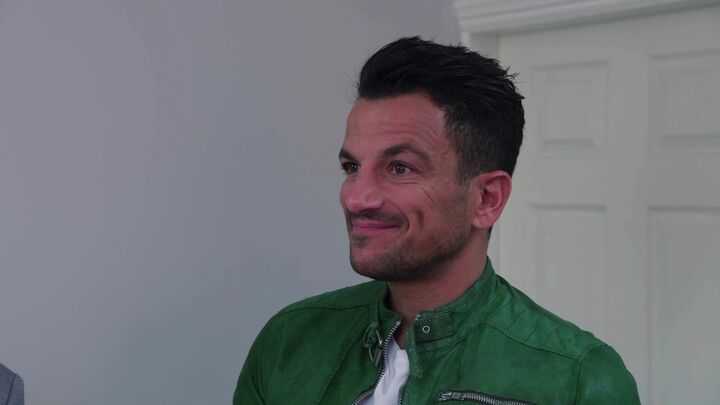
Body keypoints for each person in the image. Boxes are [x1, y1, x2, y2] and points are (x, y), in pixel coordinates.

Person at [234, 36, 639, 404]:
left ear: (487, 199)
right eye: (351, 167)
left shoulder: (577, 380)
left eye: (400, 168)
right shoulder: (288, 342)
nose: (357, 198)